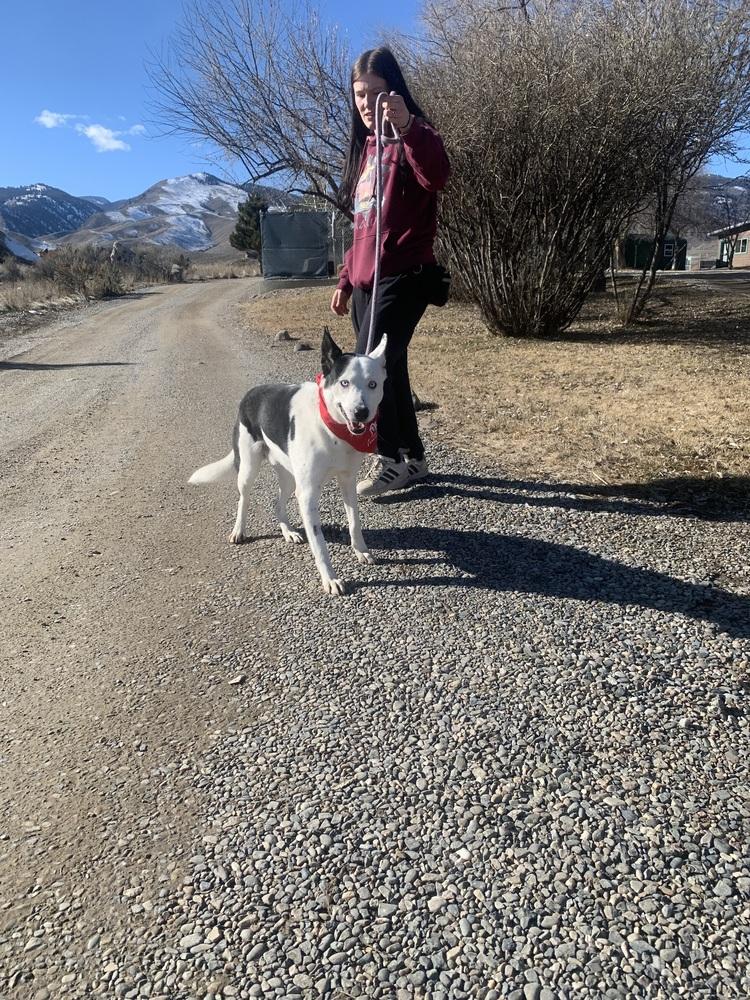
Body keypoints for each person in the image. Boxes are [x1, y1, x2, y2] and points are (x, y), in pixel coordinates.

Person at [331, 46, 450, 498]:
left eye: (375, 93)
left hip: (405, 275)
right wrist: (346, 279)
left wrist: (407, 126)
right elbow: (362, 225)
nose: (366, 103)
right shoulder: (364, 153)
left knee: (366, 368)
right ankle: (412, 458)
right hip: (367, 280)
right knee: (390, 368)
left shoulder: (416, 138)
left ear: (395, 93)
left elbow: (437, 176)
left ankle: (388, 458)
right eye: (359, 95)